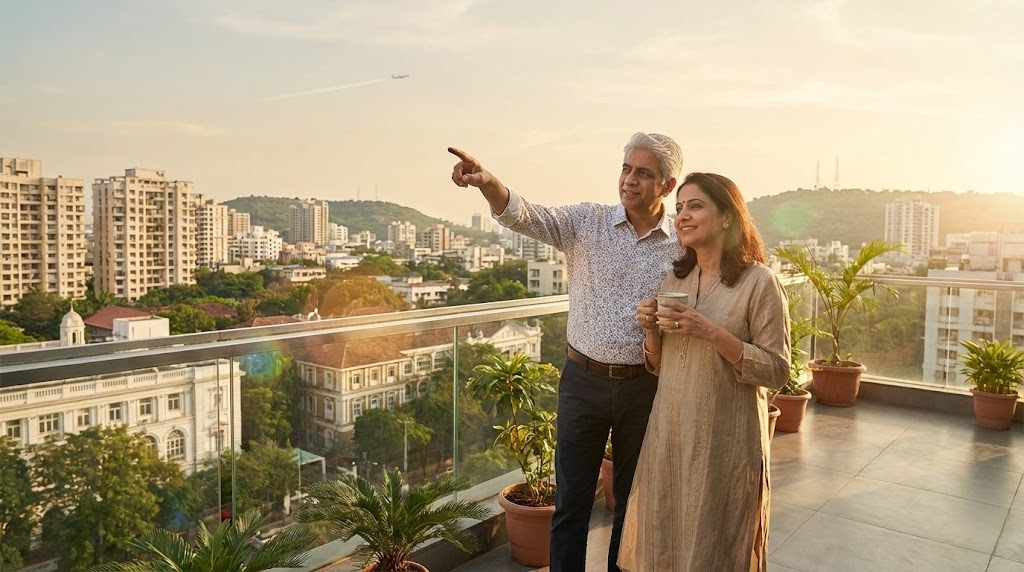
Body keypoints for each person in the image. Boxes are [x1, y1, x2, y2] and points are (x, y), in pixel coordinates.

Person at [448, 132, 684, 572]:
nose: (630, 180)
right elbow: (525, 215)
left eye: (644, 173)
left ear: (668, 186)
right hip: (583, 382)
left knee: (631, 503)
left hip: (646, 387)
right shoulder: (588, 222)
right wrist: (487, 182)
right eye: (626, 168)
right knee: (571, 502)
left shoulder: (681, 245)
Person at [619, 173, 791, 572]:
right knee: (665, 535)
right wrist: (650, 329)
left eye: (695, 206)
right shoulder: (676, 279)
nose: (682, 216)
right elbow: (661, 366)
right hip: (671, 432)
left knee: (716, 541)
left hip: (724, 438)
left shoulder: (760, 283)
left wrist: (710, 331)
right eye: (679, 208)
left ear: (729, 217)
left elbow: (777, 370)